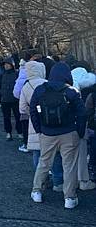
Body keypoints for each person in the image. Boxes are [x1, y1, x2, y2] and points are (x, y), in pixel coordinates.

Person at [30, 62, 86, 209]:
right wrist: (79, 132)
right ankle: (69, 197)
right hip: (69, 133)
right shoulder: (71, 91)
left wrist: (39, 129)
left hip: (47, 133)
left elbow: (33, 111)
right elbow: (82, 113)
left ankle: (37, 191)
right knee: (69, 166)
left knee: (44, 162)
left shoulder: (40, 90)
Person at [19, 61, 63, 189]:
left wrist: (32, 111)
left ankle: (41, 182)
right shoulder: (46, 83)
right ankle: (58, 182)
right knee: (54, 153)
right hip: (50, 121)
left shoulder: (26, 86)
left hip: (34, 123)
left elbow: (22, 108)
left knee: (37, 153)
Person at [71, 65, 96, 190]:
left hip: (72, 127)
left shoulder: (72, 89)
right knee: (84, 152)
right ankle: (85, 179)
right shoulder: (89, 88)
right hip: (86, 126)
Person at [0, 57, 22, 141]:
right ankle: (8, 133)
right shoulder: (2, 75)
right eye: (5, 65)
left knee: (18, 117)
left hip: (15, 99)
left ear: (12, 65)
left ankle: (19, 132)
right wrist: (0, 96)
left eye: (8, 64)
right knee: (6, 117)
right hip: (5, 99)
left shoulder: (16, 74)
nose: (6, 66)